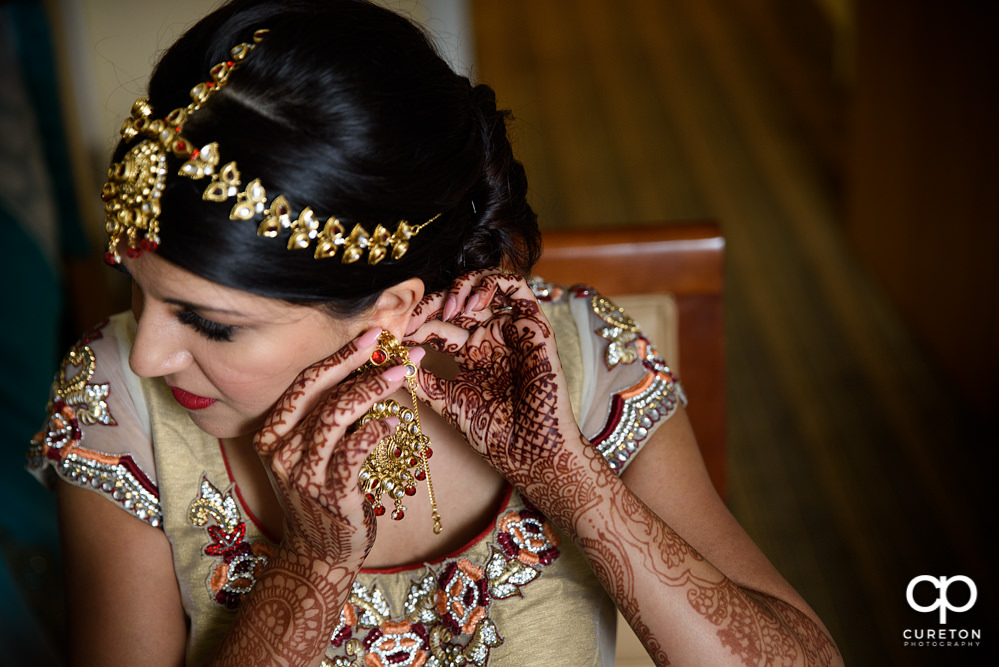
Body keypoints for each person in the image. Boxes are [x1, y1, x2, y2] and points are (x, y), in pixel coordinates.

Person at [27, 0, 842, 664]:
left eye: (212, 323)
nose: (149, 351)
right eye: (138, 292)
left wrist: (569, 478)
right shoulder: (120, 400)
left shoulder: (555, 363)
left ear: (391, 305)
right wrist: (309, 571)